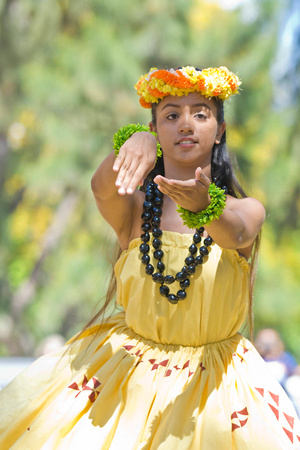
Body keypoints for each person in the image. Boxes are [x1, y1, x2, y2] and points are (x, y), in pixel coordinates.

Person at [0, 65, 299, 449]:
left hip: (216, 390)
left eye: (201, 113)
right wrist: (131, 142)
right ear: (156, 129)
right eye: (171, 115)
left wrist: (204, 207)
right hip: (126, 379)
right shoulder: (136, 212)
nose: (186, 124)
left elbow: (236, 231)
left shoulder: (246, 210)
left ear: (220, 130)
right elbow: (101, 189)